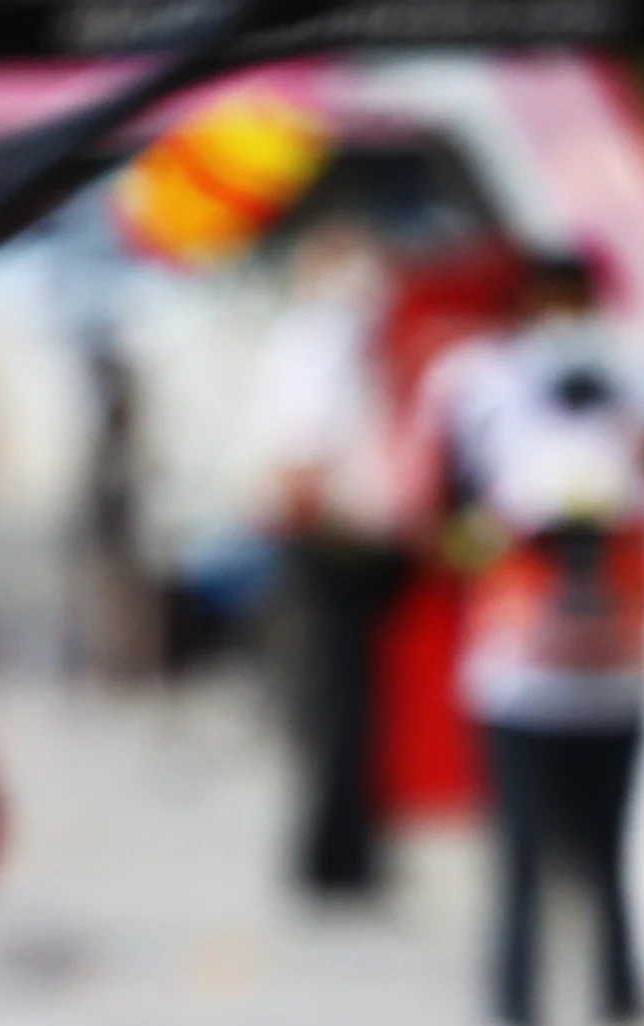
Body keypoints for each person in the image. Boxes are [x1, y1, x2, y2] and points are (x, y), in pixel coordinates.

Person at [413, 247, 644, 1026]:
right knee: (524, 861)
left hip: (617, 668)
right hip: (518, 673)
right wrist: (503, 537)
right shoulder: (485, 391)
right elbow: (436, 526)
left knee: (610, 862)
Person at [248, 222, 405, 898]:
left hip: (348, 529)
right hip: (336, 533)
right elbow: (301, 447)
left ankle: (347, 848)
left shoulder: (338, 336)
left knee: (346, 700)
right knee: (338, 700)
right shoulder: (320, 338)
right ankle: (334, 857)